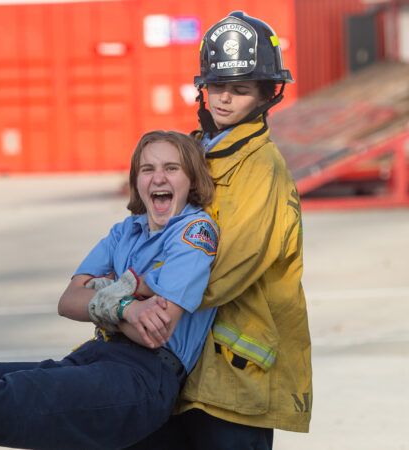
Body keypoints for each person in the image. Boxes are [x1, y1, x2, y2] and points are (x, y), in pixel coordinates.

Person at [0, 130, 219, 449]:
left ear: (190, 179)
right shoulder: (125, 231)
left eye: (171, 168)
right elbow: (68, 302)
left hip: (143, 379)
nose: (158, 177)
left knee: (28, 395)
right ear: (137, 181)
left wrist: (103, 294)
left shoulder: (195, 231)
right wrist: (127, 303)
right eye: (147, 169)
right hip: (96, 354)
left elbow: (155, 331)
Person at [133, 11, 312, 450]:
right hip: (179, 365)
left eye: (240, 89)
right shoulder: (194, 152)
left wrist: (139, 290)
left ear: (268, 94)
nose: (225, 99)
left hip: (234, 379)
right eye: (216, 86)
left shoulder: (262, 168)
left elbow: (231, 266)